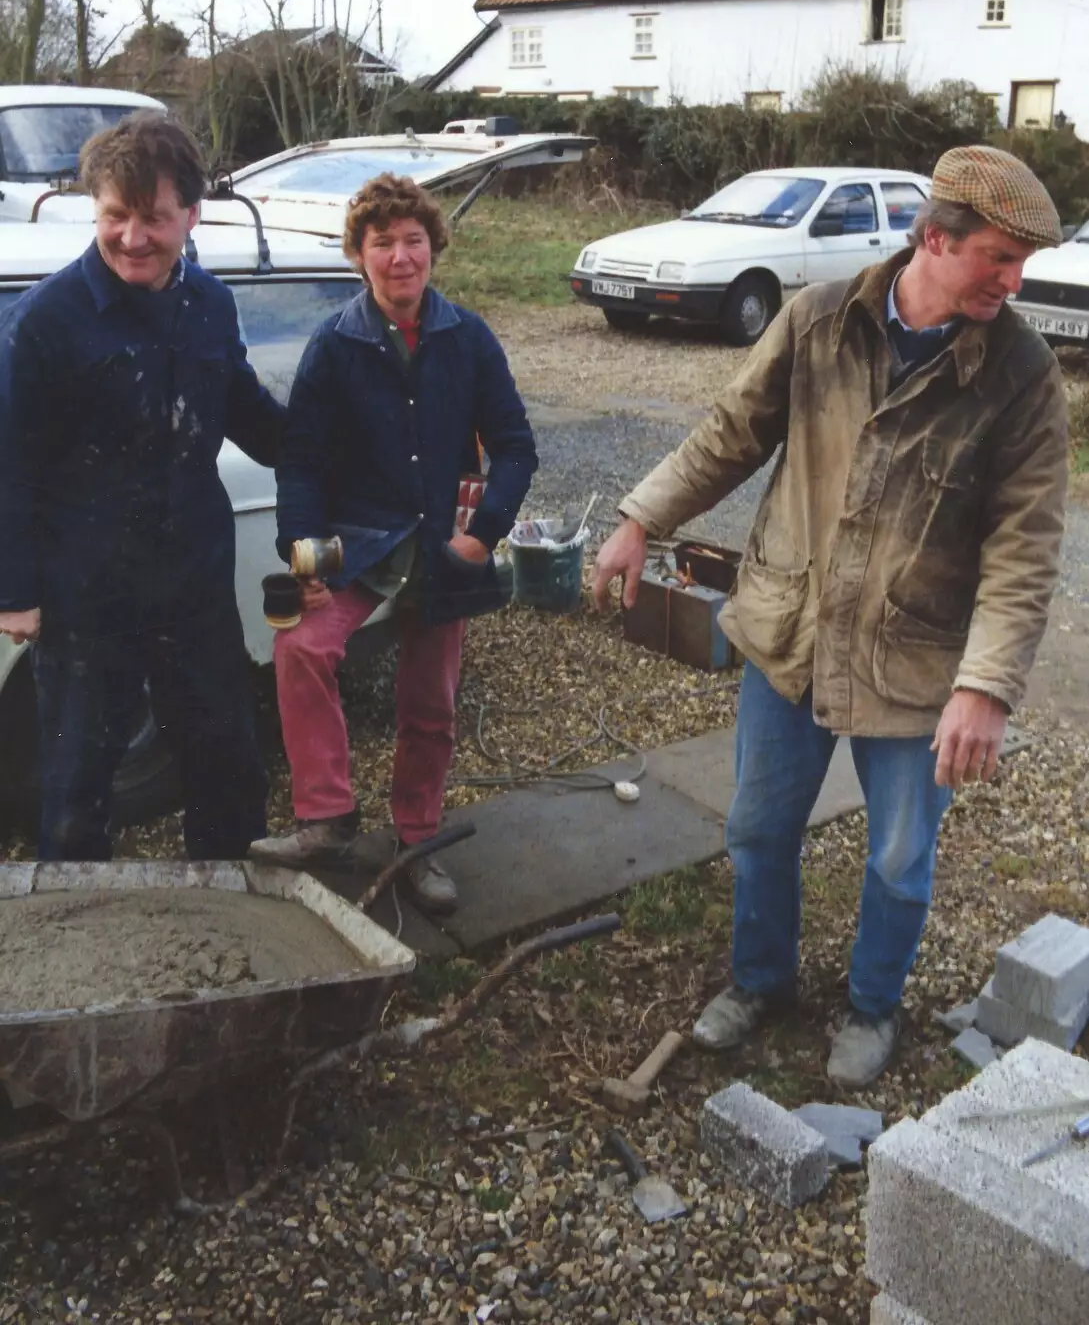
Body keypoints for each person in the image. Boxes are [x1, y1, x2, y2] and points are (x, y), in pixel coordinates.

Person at [593, 145, 1067, 1087]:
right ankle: (759, 981)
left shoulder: (1020, 378)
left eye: (1020, 264)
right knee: (760, 829)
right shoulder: (817, 323)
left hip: (914, 661)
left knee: (897, 858)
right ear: (935, 239)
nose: (1013, 284)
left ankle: (871, 1005)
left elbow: (1025, 551)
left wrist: (984, 687)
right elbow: (728, 436)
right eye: (998, 259)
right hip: (788, 636)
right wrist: (638, 519)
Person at [249, 173, 537, 914]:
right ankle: (327, 820)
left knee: (430, 702)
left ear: (432, 249)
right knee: (299, 646)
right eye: (383, 243)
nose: (400, 256)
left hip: (443, 546)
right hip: (357, 540)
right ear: (358, 256)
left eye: (413, 241)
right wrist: (305, 557)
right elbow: (302, 460)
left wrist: (483, 534)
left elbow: (513, 446)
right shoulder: (334, 343)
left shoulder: (467, 338)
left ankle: (416, 839)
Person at [0, 114, 285, 860]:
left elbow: (240, 402)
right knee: (75, 786)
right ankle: (82, 926)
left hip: (192, 581)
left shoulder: (210, 304)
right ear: (95, 208)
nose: (132, 237)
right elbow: (11, 463)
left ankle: (231, 916)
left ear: (191, 214)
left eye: (153, 219)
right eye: (114, 217)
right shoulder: (44, 324)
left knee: (226, 762)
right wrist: (15, 588)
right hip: (86, 594)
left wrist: (336, 449)